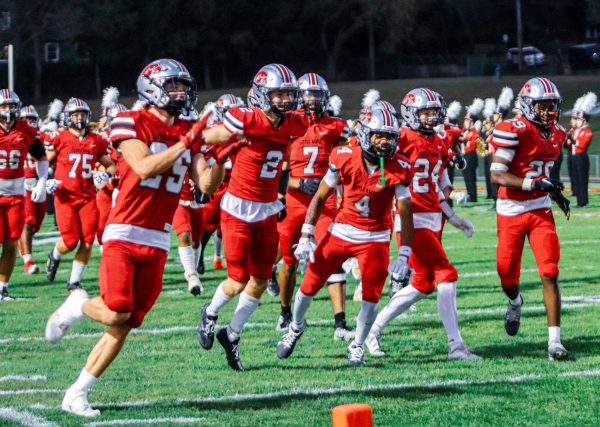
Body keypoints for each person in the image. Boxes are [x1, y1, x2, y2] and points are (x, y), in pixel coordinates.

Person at [45, 58, 218, 417]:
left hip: (158, 237)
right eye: (173, 86)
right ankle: (77, 304)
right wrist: (188, 140)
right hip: (124, 231)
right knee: (117, 310)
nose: (181, 93)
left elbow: (205, 184)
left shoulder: (188, 128)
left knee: (127, 323)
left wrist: (223, 157)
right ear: (152, 89)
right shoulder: (130, 121)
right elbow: (142, 167)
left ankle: (76, 394)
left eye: (183, 86)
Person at [276, 108, 414, 367]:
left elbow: (406, 212)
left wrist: (404, 253)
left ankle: (357, 345)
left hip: (375, 237)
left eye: (389, 136)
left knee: (371, 300)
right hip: (341, 231)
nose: (384, 142)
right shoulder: (343, 156)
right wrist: (306, 234)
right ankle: (295, 327)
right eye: (378, 136)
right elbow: (320, 196)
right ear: (364, 134)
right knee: (307, 287)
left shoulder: (399, 166)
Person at [196, 63, 309, 371]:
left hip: (267, 208)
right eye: (279, 94)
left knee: (260, 280)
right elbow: (209, 137)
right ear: (261, 95)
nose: (286, 101)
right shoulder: (245, 119)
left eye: (289, 94)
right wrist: (186, 142)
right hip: (237, 209)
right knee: (237, 279)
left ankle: (231, 335)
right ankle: (210, 312)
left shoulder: (294, 124)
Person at [364, 88, 479, 361]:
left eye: (433, 112)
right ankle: (456, 346)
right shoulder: (400, 137)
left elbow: (433, 186)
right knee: (446, 275)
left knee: (423, 283)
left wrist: (452, 217)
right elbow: (375, 161)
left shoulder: (439, 142)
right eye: (424, 113)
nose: (430, 118)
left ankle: (372, 330)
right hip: (410, 217)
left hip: (431, 215)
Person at [490, 77, 571, 361]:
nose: (549, 112)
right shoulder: (515, 130)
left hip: (539, 210)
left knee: (550, 270)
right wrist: (535, 184)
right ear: (527, 106)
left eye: (552, 107)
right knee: (506, 276)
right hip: (511, 210)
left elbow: (545, 172)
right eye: (543, 106)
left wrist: (556, 193)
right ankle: (515, 301)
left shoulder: (558, 134)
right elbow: (497, 175)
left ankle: (554, 341)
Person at [276, 72, 353, 340]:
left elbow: (348, 160)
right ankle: (285, 311)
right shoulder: (286, 125)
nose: (311, 100)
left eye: (316, 95)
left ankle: (340, 321)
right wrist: (297, 184)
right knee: (288, 262)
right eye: (307, 94)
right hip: (294, 201)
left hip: (325, 200)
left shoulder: (336, 126)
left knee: (332, 257)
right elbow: (276, 170)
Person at [44, 98, 116, 291]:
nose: (79, 118)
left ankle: (74, 281)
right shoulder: (60, 137)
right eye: (75, 114)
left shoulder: (96, 140)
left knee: (88, 239)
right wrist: (47, 180)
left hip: (87, 197)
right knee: (70, 240)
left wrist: (105, 174)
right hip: (65, 197)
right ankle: (55, 255)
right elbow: (45, 163)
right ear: (67, 117)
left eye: (82, 114)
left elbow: (111, 165)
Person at [0, 90, 48, 300]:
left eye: (11, 106)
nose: (8, 110)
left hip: (16, 194)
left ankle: (2, 288)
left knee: (11, 242)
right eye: (4, 106)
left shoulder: (26, 130)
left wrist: (43, 180)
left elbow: (41, 156)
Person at [18, 105, 47, 274]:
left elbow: (47, 157)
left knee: (35, 226)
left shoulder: (41, 137)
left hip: (38, 183)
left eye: (32, 119)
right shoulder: (15, 137)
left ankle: (21, 248)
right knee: (28, 223)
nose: (29, 122)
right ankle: (28, 260)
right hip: (21, 183)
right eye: (25, 119)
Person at [570, 92, 596, 208]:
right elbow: (568, 144)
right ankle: (579, 201)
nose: (577, 121)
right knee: (576, 179)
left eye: (579, 119)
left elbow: (580, 144)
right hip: (574, 157)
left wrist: (570, 139)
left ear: (584, 121)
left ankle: (583, 202)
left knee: (582, 180)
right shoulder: (575, 131)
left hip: (581, 157)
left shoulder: (587, 132)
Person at [460, 98, 483, 203]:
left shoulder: (475, 133)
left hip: (471, 156)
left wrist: (465, 141)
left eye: (467, 121)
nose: (465, 123)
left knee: (470, 177)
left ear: (472, 123)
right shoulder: (466, 132)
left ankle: (473, 196)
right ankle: (470, 194)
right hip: (466, 156)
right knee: (466, 177)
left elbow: (475, 146)